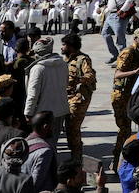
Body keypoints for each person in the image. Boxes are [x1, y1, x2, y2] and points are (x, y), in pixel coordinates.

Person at [111, 30, 139, 166]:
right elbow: (117, 74)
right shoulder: (128, 52)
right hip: (121, 95)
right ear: (135, 38)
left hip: (130, 96)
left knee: (128, 130)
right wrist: (135, 72)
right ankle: (116, 161)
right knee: (124, 129)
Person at [23, 39, 69, 141]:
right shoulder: (63, 64)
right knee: (54, 140)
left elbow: (33, 93)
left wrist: (28, 113)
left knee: (43, 142)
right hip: (60, 110)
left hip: (43, 113)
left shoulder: (38, 69)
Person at [61, 34, 95, 163]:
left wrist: (78, 80)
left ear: (71, 46)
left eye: (64, 45)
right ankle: (74, 155)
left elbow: (90, 74)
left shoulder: (83, 59)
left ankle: (77, 157)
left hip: (78, 98)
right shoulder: (66, 60)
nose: (62, 47)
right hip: (66, 97)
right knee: (69, 128)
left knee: (73, 127)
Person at [22, 111, 57, 193]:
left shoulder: (24, 142)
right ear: (45, 126)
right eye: (52, 125)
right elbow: (36, 181)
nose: (54, 128)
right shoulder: (45, 152)